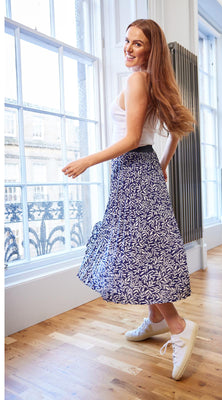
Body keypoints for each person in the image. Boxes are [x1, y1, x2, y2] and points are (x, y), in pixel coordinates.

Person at [62, 18, 197, 381]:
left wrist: (87, 160)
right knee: (141, 251)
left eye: (137, 44)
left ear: (151, 50)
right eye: (127, 41)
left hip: (134, 170)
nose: (128, 48)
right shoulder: (155, 83)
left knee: (136, 254)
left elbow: (133, 136)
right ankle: (155, 319)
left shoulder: (137, 79)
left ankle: (178, 326)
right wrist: (163, 166)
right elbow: (174, 132)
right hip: (143, 170)